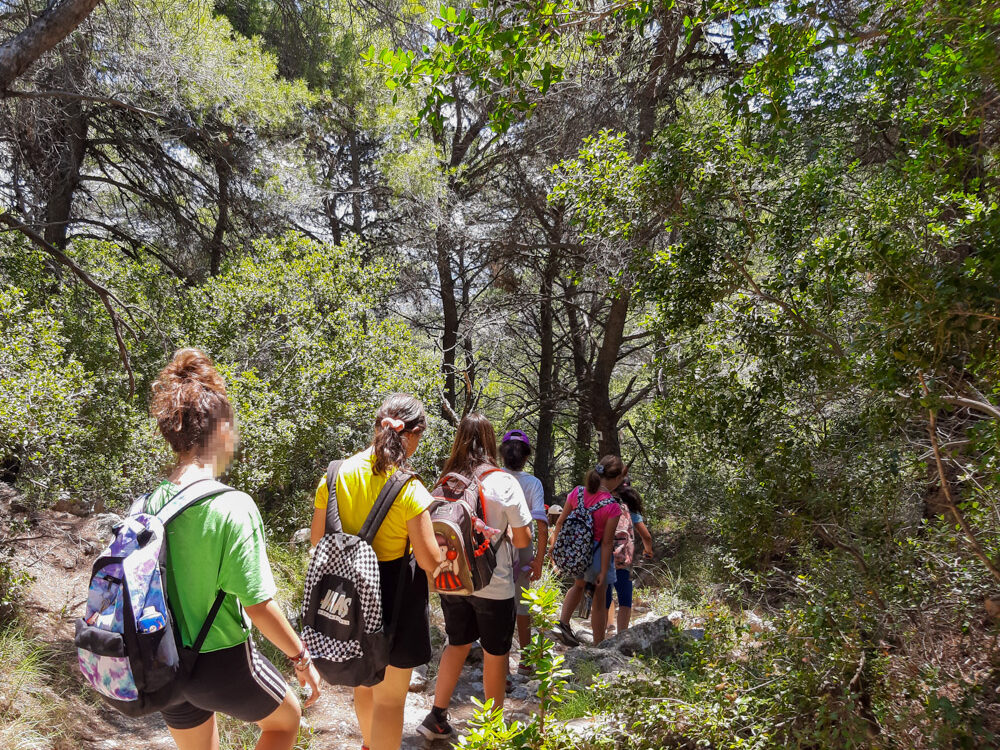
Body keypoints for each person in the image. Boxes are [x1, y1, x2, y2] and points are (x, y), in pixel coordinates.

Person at [147, 348, 321, 750]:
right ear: (222, 430)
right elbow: (258, 605)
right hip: (220, 662)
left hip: (162, 662)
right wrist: (301, 659)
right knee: (284, 721)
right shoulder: (232, 505)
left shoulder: (149, 503)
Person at [309, 394, 440, 750]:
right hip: (395, 601)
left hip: (347, 599)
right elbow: (429, 561)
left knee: (363, 685)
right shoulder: (409, 488)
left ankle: (369, 744)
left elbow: (318, 541)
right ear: (411, 436)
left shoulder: (334, 474)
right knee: (390, 701)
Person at [418, 414, 533, 740]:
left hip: (453, 578)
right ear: (490, 441)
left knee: (457, 642)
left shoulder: (445, 481)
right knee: (497, 654)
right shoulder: (503, 481)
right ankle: (493, 732)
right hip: (493, 584)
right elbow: (523, 541)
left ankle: (436, 717)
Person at [549, 455, 625, 647]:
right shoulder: (612, 507)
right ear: (616, 479)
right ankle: (599, 645)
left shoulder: (578, 492)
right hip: (597, 554)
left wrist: (554, 546)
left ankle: (563, 623)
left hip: (575, 549)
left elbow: (560, 521)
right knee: (599, 600)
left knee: (578, 584)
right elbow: (607, 543)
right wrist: (601, 570)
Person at [498, 429, 548, 675]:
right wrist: (539, 559)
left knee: (501, 604)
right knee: (522, 605)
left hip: (496, 548)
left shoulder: (493, 478)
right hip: (524, 547)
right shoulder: (533, 484)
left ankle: (501, 665)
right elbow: (540, 521)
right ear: (526, 457)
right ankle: (526, 661)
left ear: (502, 455)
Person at [603, 485, 654, 638]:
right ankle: (621, 636)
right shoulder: (631, 510)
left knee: (604, 596)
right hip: (621, 559)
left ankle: (603, 633)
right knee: (625, 596)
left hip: (603, 557)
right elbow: (646, 537)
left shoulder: (604, 504)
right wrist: (648, 551)